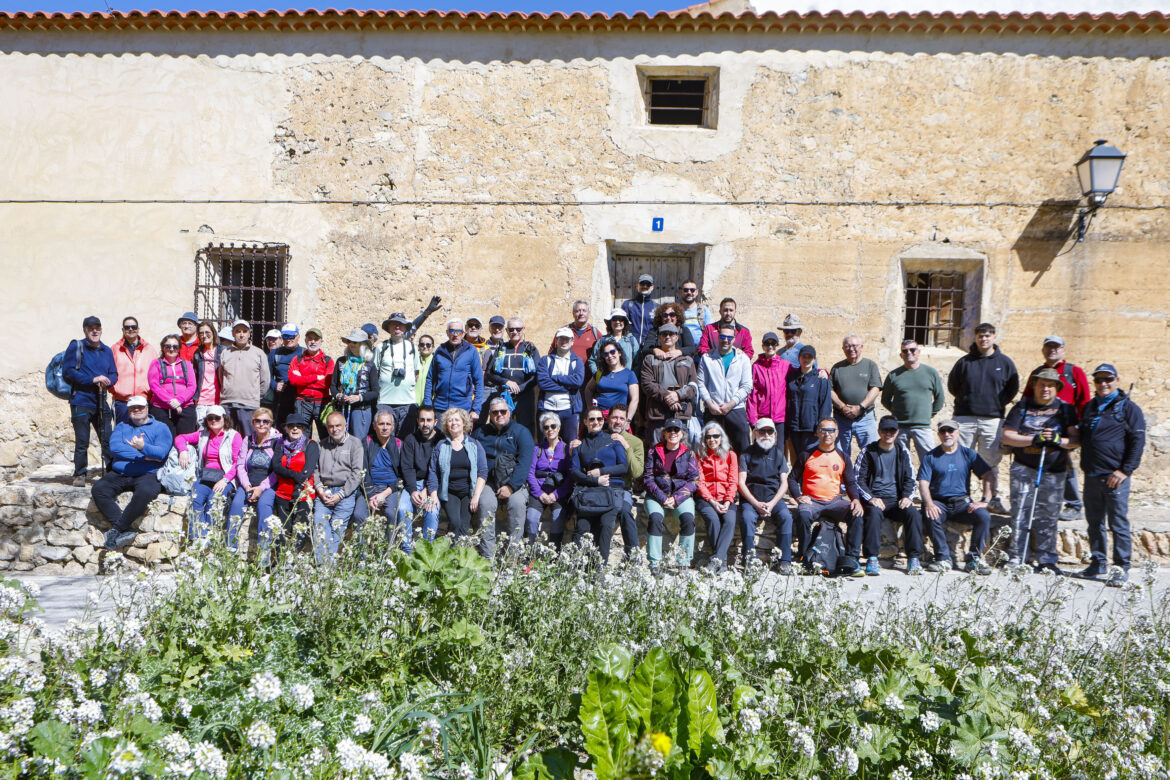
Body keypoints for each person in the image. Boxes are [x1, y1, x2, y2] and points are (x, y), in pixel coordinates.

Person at [1002, 368, 1080, 574]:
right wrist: (1033, 439)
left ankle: (1047, 559)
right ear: (1034, 386)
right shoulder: (1022, 407)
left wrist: (1058, 440)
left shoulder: (1065, 409)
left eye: (1050, 385)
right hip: (1024, 468)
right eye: (1041, 384)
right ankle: (1018, 557)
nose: (1045, 389)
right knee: (1020, 513)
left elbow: (1075, 440)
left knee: (1049, 516)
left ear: (1057, 388)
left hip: (1054, 470)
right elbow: (1007, 436)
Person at [1076, 364, 1146, 586]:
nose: (1103, 384)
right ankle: (1098, 563)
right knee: (1094, 522)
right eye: (1098, 380)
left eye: (1108, 379)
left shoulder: (1129, 408)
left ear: (1117, 380)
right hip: (1092, 474)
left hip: (1115, 476)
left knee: (1118, 523)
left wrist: (1125, 471)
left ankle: (1121, 566)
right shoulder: (1090, 407)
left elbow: (1137, 442)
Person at [947, 322, 1019, 515]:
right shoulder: (964, 362)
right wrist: (967, 402)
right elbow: (953, 386)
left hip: (992, 420)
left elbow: (1012, 388)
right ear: (975, 338)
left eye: (987, 335)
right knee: (962, 460)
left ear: (994, 337)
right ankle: (961, 498)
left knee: (990, 461)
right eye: (980, 335)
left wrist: (995, 404)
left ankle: (991, 499)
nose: (984, 339)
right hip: (964, 418)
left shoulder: (1005, 363)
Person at [1022, 335, 1092, 522]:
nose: (1052, 350)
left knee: (1063, 461)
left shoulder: (1074, 372)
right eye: (1049, 347)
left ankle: (1073, 504)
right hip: (1039, 426)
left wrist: (1080, 426)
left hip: (1066, 427)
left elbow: (1084, 400)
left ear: (1064, 350)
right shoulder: (1037, 373)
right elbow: (1027, 398)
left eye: (1056, 347)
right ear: (1043, 350)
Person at [92, 395, 172, 551]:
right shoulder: (122, 427)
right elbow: (115, 448)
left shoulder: (161, 427)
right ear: (128, 410)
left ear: (147, 408)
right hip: (121, 472)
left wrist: (143, 447)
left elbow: (161, 453)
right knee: (99, 489)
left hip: (148, 472)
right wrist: (145, 454)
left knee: (146, 491)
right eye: (132, 408)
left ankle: (117, 528)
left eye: (140, 407)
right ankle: (125, 530)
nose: (136, 410)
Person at [788, 419, 866, 576]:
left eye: (831, 430)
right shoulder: (806, 455)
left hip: (835, 501)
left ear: (837, 433)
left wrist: (856, 500)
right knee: (803, 515)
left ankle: (851, 559)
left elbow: (850, 482)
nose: (827, 434)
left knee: (856, 514)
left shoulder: (843, 457)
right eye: (823, 430)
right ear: (817, 432)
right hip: (812, 501)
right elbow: (791, 478)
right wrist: (798, 497)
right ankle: (804, 558)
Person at [917, 418, 995, 574]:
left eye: (950, 430)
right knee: (930, 515)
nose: (947, 434)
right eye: (943, 431)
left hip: (962, 504)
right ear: (939, 434)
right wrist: (929, 504)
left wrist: (985, 501)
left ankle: (973, 560)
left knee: (983, 516)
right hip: (939, 502)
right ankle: (943, 559)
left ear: (958, 433)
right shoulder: (930, 456)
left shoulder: (968, 454)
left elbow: (988, 475)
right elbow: (923, 483)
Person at [857, 415, 925, 575]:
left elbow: (910, 478)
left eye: (892, 430)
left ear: (897, 432)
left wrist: (907, 497)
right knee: (873, 515)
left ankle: (914, 558)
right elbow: (858, 479)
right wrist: (871, 498)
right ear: (879, 431)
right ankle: (872, 558)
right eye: (885, 430)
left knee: (913, 514)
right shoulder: (868, 451)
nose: (888, 434)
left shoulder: (902, 451)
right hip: (875, 500)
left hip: (896, 501)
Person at [474, 397, 536, 556]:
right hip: (488, 481)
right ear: (490, 414)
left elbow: (525, 463)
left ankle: (512, 555)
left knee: (517, 505)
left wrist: (511, 486)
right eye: (495, 412)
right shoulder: (480, 433)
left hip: (514, 481)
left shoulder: (521, 432)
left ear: (509, 412)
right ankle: (487, 556)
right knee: (485, 504)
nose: (499, 415)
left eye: (503, 411)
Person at [174, 405, 243, 544]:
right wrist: (183, 450)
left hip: (225, 476)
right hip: (206, 475)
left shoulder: (234, 436)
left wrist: (225, 480)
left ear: (224, 418)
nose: (213, 421)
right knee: (195, 500)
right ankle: (199, 537)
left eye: (217, 417)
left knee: (213, 501)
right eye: (210, 418)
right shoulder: (203, 434)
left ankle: (209, 537)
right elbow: (180, 438)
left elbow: (237, 462)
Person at [738, 417, 798, 574]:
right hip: (751, 499)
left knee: (786, 517)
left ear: (775, 434)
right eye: (762, 431)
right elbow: (741, 482)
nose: (766, 435)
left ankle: (784, 561)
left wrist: (771, 504)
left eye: (770, 431)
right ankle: (749, 560)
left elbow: (784, 483)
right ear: (755, 433)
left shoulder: (779, 455)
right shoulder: (746, 454)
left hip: (774, 499)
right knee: (747, 518)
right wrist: (756, 503)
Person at [426, 408, 489, 554]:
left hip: (468, 492)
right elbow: (433, 471)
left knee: (464, 526)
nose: (453, 423)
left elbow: (482, 471)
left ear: (464, 423)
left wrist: (476, 496)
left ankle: (460, 557)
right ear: (446, 425)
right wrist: (433, 494)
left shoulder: (475, 444)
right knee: (455, 522)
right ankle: (449, 554)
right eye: (450, 420)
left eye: (456, 420)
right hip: (449, 492)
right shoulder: (441, 445)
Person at [64, 316, 117, 487]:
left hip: (101, 400)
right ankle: (80, 474)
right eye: (91, 328)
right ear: (85, 330)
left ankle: (111, 472)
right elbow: (68, 372)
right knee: (82, 441)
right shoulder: (76, 346)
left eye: (98, 328)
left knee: (107, 439)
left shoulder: (107, 351)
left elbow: (114, 373)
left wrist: (108, 381)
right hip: (81, 400)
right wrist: (93, 379)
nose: (95, 331)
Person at [570, 408, 629, 562]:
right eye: (592, 419)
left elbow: (624, 467)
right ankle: (577, 568)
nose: (596, 422)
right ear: (585, 422)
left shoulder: (613, 441)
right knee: (582, 527)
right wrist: (595, 480)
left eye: (599, 419)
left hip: (610, 491)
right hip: (589, 492)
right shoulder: (580, 445)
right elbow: (574, 471)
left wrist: (601, 471)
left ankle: (599, 568)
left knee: (605, 525)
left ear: (603, 421)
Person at [643, 418, 700, 574]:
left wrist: (676, 498)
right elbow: (648, 478)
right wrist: (663, 498)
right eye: (669, 430)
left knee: (688, 519)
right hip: (657, 495)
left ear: (682, 433)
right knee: (655, 518)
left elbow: (694, 481)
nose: (673, 433)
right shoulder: (653, 452)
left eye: (676, 430)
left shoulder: (689, 454)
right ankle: (654, 563)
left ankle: (684, 562)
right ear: (664, 433)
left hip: (680, 496)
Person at [312, 411, 365, 563]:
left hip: (345, 492)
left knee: (338, 529)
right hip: (324, 491)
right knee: (319, 525)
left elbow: (357, 473)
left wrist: (341, 494)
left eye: (338, 425)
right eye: (331, 426)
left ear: (345, 426)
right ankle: (325, 567)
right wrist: (320, 490)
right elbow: (315, 470)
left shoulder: (355, 444)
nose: (335, 429)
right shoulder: (321, 445)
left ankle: (326, 567)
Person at [227, 407, 282, 555]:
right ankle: (230, 552)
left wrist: (260, 488)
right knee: (236, 506)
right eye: (257, 421)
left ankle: (263, 556)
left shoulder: (278, 441)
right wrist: (247, 486)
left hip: (269, 485)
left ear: (271, 423)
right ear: (252, 423)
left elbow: (277, 469)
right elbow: (240, 465)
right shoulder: (248, 440)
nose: (261, 424)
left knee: (264, 507)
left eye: (265, 421)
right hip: (248, 483)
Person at [880, 339, 944, 462]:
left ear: (918, 352)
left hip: (923, 427)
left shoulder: (931, 373)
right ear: (901, 355)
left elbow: (940, 398)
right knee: (900, 461)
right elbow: (885, 399)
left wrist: (928, 414)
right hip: (900, 427)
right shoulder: (893, 375)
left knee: (930, 461)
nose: (909, 352)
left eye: (912, 349)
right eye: (905, 351)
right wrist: (898, 413)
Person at [354, 410, 409, 552]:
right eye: (381, 424)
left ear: (393, 426)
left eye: (388, 424)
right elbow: (363, 470)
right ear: (374, 425)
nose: (385, 427)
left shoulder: (399, 445)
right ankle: (362, 554)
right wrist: (371, 495)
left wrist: (384, 494)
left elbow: (402, 475)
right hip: (369, 487)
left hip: (391, 489)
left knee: (391, 513)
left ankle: (388, 552)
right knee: (359, 514)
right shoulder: (366, 442)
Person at [269, 413, 319, 562]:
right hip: (283, 493)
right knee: (283, 531)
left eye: (299, 426)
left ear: (303, 428)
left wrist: (295, 478)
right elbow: (276, 467)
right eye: (291, 426)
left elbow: (307, 470)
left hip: (303, 493)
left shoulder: (311, 445)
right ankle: (282, 563)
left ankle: (293, 562)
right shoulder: (280, 444)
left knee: (300, 531)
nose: (295, 428)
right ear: (286, 428)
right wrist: (295, 475)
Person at [697, 324, 753, 453]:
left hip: (735, 409)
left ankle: (741, 467)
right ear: (718, 337)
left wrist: (731, 403)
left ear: (734, 339)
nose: (725, 340)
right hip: (713, 410)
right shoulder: (707, 358)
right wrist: (710, 403)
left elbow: (747, 385)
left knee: (742, 449)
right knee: (711, 450)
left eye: (729, 337)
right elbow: (701, 383)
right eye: (722, 337)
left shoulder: (743, 359)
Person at [640, 323, 699, 443]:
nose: (667, 337)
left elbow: (693, 386)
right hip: (658, 414)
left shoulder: (687, 360)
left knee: (681, 451)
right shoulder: (650, 359)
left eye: (671, 334)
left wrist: (677, 395)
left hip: (680, 414)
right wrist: (668, 397)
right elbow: (647, 384)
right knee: (657, 450)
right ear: (659, 337)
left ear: (677, 337)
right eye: (664, 334)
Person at [830, 335, 882, 461]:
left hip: (865, 418)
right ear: (843, 349)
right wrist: (843, 407)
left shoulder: (870, 365)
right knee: (840, 455)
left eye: (854, 346)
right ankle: (844, 475)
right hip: (841, 419)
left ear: (861, 347)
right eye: (847, 346)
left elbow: (875, 388)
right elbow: (830, 391)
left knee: (872, 454)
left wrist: (860, 407)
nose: (851, 349)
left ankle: (869, 475)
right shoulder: (837, 368)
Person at [695, 421, 738, 572]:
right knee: (713, 520)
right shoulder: (699, 455)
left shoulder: (731, 455)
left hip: (726, 498)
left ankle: (716, 560)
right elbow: (700, 482)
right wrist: (713, 502)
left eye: (716, 436)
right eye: (708, 437)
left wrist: (728, 501)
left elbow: (733, 480)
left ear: (721, 437)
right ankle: (722, 562)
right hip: (705, 499)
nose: (712, 439)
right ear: (704, 439)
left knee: (730, 521)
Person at [486, 317, 541, 436]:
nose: (515, 332)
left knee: (525, 429)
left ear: (524, 329)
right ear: (506, 331)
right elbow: (490, 373)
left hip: (525, 396)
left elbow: (537, 375)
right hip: (504, 395)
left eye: (518, 329)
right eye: (511, 329)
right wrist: (506, 382)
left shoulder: (530, 348)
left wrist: (520, 388)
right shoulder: (502, 348)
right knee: (501, 427)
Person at [526, 412, 574, 545]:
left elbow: (570, 476)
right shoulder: (537, 449)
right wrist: (539, 493)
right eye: (546, 427)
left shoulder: (566, 449)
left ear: (559, 428)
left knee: (558, 518)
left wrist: (556, 494)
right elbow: (530, 473)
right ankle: (529, 552)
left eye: (553, 426)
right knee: (531, 518)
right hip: (539, 491)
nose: (550, 430)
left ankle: (555, 552)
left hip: (559, 492)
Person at [425, 319, 486, 421]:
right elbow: (430, 379)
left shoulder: (471, 351)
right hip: (440, 407)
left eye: (459, 331)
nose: (455, 334)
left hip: (462, 408)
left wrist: (476, 409)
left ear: (463, 333)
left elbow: (479, 381)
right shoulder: (440, 351)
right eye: (452, 331)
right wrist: (428, 405)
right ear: (447, 333)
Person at [398, 405, 442, 542]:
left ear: (435, 421)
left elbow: (441, 470)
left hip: (433, 485)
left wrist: (427, 490)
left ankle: (426, 548)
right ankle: (406, 548)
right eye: (422, 420)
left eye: (429, 420)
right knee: (402, 509)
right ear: (417, 421)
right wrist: (413, 491)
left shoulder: (441, 440)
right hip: (412, 483)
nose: (425, 424)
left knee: (432, 511)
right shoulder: (410, 439)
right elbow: (407, 467)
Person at [606, 403, 644, 560]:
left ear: (627, 421)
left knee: (625, 512)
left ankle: (632, 555)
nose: (618, 422)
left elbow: (636, 472)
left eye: (622, 418)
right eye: (614, 417)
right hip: (602, 487)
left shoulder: (635, 442)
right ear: (608, 418)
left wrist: (626, 446)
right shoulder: (601, 437)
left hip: (623, 489)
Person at [375, 313, 422, 437]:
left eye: (400, 324)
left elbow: (416, 373)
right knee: (385, 439)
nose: (397, 327)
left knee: (407, 439)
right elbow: (375, 373)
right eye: (394, 324)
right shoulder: (381, 348)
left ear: (405, 328)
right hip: (385, 401)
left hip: (407, 402)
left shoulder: (412, 348)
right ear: (388, 328)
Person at [220, 319, 271, 434]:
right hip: (228, 404)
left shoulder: (259, 353)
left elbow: (265, 380)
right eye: (238, 331)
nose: (241, 334)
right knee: (227, 437)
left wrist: (254, 395)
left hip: (249, 405)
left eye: (244, 331)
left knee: (248, 437)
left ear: (249, 333)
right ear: (233, 333)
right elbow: (221, 377)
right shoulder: (225, 353)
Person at [331, 329, 380, 441]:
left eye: (355, 342)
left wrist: (359, 397)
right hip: (342, 408)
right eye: (350, 341)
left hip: (361, 410)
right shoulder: (341, 362)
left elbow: (375, 392)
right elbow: (333, 385)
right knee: (340, 441)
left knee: (358, 442)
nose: (351, 344)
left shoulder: (369, 365)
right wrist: (338, 395)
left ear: (362, 345)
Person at [537, 327, 586, 441]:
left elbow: (578, 381)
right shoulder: (545, 360)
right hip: (547, 409)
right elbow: (543, 383)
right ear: (556, 341)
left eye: (567, 339)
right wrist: (568, 387)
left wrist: (555, 377)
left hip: (569, 409)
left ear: (572, 341)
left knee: (571, 443)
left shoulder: (577, 361)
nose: (564, 342)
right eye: (561, 339)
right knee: (546, 443)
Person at [287, 327, 334, 440]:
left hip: (322, 403)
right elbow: (293, 380)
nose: (313, 342)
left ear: (321, 341)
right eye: (310, 338)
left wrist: (302, 379)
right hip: (302, 402)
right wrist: (316, 377)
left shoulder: (328, 361)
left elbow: (327, 383)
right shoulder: (297, 359)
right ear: (305, 340)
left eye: (316, 339)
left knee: (326, 437)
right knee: (302, 437)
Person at [110, 316, 158, 424]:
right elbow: (108, 371)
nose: (131, 329)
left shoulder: (149, 349)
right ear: (123, 330)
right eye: (127, 327)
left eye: (133, 327)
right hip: (122, 402)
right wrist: (115, 390)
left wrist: (150, 391)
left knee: (144, 431)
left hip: (144, 400)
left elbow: (156, 373)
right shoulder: (115, 349)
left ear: (138, 329)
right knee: (122, 431)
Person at [147, 334, 197, 436]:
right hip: (161, 407)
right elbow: (154, 385)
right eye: (168, 346)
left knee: (184, 439)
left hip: (185, 406)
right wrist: (170, 401)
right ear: (163, 348)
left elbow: (192, 386)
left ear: (179, 348)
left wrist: (179, 400)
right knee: (166, 439)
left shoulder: (187, 364)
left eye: (175, 346)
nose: (171, 349)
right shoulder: (156, 364)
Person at [745, 332, 795, 433]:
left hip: (780, 418)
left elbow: (801, 373)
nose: (770, 346)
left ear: (777, 345)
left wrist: (821, 371)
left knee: (780, 444)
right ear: (763, 346)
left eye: (773, 343)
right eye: (767, 344)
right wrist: (753, 420)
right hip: (763, 418)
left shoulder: (785, 365)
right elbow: (752, 395)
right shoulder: (756, 367)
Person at [786, 345, 832, 456]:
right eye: (804, 357)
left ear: (814, 359)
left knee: (811, 458)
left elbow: (825, 405)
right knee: (799, 458)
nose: (806, 360)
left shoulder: (820, 380)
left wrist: (821, 426)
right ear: (799, 358)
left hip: (812, 428)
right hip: (794, 427)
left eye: (809, 357)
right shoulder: (791, 378)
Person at [583, 338, 640, 420]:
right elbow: (588, 389)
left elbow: (635, 399)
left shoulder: (629, 374)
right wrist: (590, 409)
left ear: (619, 352)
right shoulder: (600, 372)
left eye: (612, 352)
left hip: (618, 420)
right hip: (599, 419)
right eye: (606, 354)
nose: (609, 356)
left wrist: (628, 420)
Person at [635, 302, 698, 368]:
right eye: (665, 315)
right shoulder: (654, 332)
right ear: (661, 318)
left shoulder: (683, 331)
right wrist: (655, 350)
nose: (668, 318)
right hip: (659, 367)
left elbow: (692, 348)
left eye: (672, 315)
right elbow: (645, 349)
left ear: (677, 317)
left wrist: (679, 351)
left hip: (679, 367)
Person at [549, 301, 602, 378]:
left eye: (584, 310)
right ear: (573, 313)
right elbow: (552, 352)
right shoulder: (564, 331)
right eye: (578, 311)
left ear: (588, 313)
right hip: (565, 378)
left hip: (588, 379)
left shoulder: (595, 333)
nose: (581, 313)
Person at [269, 324, 303, 428]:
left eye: (291, 336)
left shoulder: (305, 353)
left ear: (298, 337)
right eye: (285, 336)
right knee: (281, 428)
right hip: (281, 398)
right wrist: (275, 385)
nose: (288, 339)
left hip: (300, 398)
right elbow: (266, 375)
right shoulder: (275, 354)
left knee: (299, 427)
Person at [588, 309, 638, 376]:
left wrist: (631, 377)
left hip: (626, 380)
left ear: (625, 322)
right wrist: (598, 376)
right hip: (606, 379)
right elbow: (593, 360)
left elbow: (638, 362)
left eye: (620, 319)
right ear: (610, 322)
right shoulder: (603, 340)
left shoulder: (631, 340)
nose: (617, 322)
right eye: (614, 319)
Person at [191, 321, 223, 425]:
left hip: (219, 400)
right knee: (202, 429)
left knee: (218, 429)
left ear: (213, 332)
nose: (204, 335)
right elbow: (195, 376)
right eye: (201, 333)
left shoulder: (223, 351)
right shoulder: (198, 353)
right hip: (202, 399)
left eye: (207, 332)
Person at [622, 273, 657, 344]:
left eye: (648, 284)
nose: (645, 286)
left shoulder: (657, 307)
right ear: (637, 285)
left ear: (652, 287)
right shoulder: (627, 305)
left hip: (649, 345)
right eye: (642, 284)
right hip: (631, 344)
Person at [678, 280, 712, 345]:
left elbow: (710, 331)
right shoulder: (676, 311)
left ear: (696, 292)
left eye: (692, 290)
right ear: (681, 291)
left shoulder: (704, 310)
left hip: (700, 348)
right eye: (685, 290)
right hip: (682, 348)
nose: (689, 292)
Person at [415, 335, 436, 406]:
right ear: (418, 347)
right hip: (414, 403)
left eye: (428, 345)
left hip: (430, 403)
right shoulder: (413, 361)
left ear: (433, 347)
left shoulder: (436, 362)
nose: (425, 347)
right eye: (422, 344)